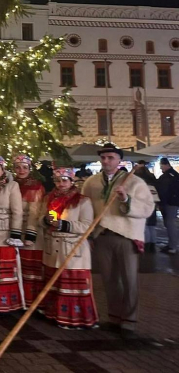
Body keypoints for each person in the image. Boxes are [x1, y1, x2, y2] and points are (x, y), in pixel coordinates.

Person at [82, 143, 154, 338]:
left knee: (129, 280)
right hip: (102, 236)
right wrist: (87, 234)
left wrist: (126, 200)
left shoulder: (135, 182)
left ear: (119, 160)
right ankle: (114, 318)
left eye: (110, 158)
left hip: (126, 237)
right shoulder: (91, 183)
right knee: (109, 279)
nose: (106, 161)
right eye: (103, 158)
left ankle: (129, 321)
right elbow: (84, 207)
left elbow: (148, 208)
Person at [40, 167, 98, 329]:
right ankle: (55, 314)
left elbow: (88, 225)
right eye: (57, 181)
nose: (61, 184)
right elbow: (40, 218)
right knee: (56, 284)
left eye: (65, 180)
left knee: (73, 285)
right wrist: (45, 221)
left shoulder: (82, 201)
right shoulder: (48, 199)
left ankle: (78, 318)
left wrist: (64, 224)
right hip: (54, 247)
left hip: (73, 249)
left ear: (72, 181)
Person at [0, 156, 24, 313]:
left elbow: (17, 211)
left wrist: (15, 233)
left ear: (2, 170)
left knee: (4, 269)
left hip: (4, 233)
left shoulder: (11, 186)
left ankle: (6, 304)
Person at [12, 154, 46, 306]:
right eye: (18, 167)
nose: (21, 170)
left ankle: (32, 301)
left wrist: (30, 235)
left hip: (29, 232)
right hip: (14, 230)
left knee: (30, 268)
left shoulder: (36, 186)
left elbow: (35, 212)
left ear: (29, 168)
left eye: (24, 167)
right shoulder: (10, 184)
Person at [132, 161, 159, 252]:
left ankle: (146, 245)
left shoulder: (137, 178)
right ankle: (153, 245)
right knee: (151, 225)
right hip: (152, 203)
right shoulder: (151, 176)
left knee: (145, 225)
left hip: (141, 203)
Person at [156, 157, 179, 255]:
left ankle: (173, 246)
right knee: (169, 224)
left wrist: (161, 202)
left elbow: (164, 191)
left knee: (170, 224)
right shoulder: (173, 175)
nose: (161, 168)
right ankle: (171, 244)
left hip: (170, 203)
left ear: (166, 165)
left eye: (161, 166)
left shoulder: (168, 176)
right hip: (171, 202)